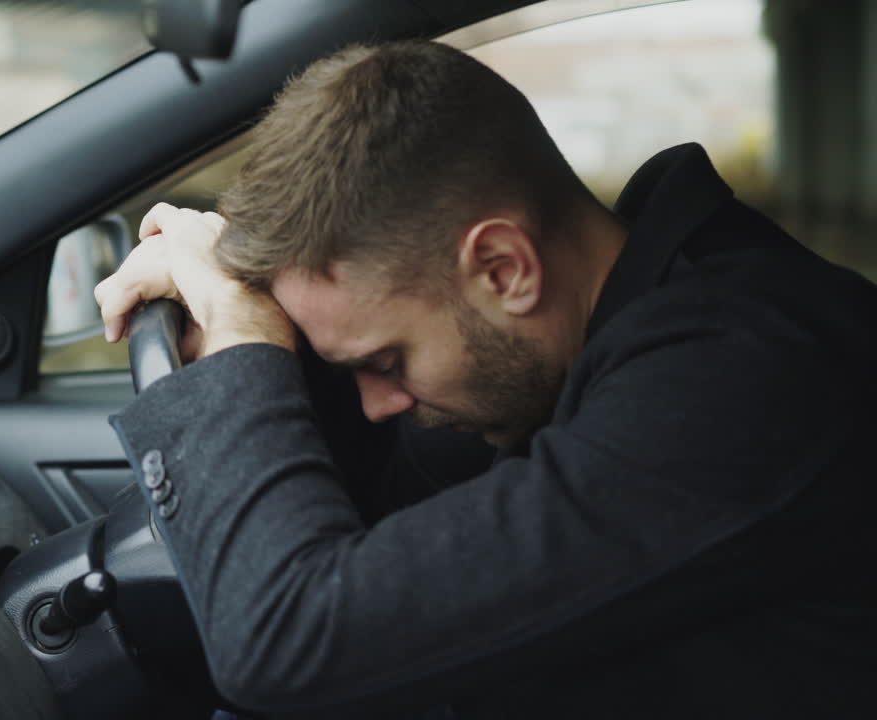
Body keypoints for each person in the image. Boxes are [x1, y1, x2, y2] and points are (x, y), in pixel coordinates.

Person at [93, 41, 877, 719]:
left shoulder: (738, 380)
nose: (379, 405)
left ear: (504, 270)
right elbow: (399, 491)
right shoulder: (589, 341)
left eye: (385, 362)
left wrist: (240, 342)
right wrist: (263, 315)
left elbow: (290, 641)